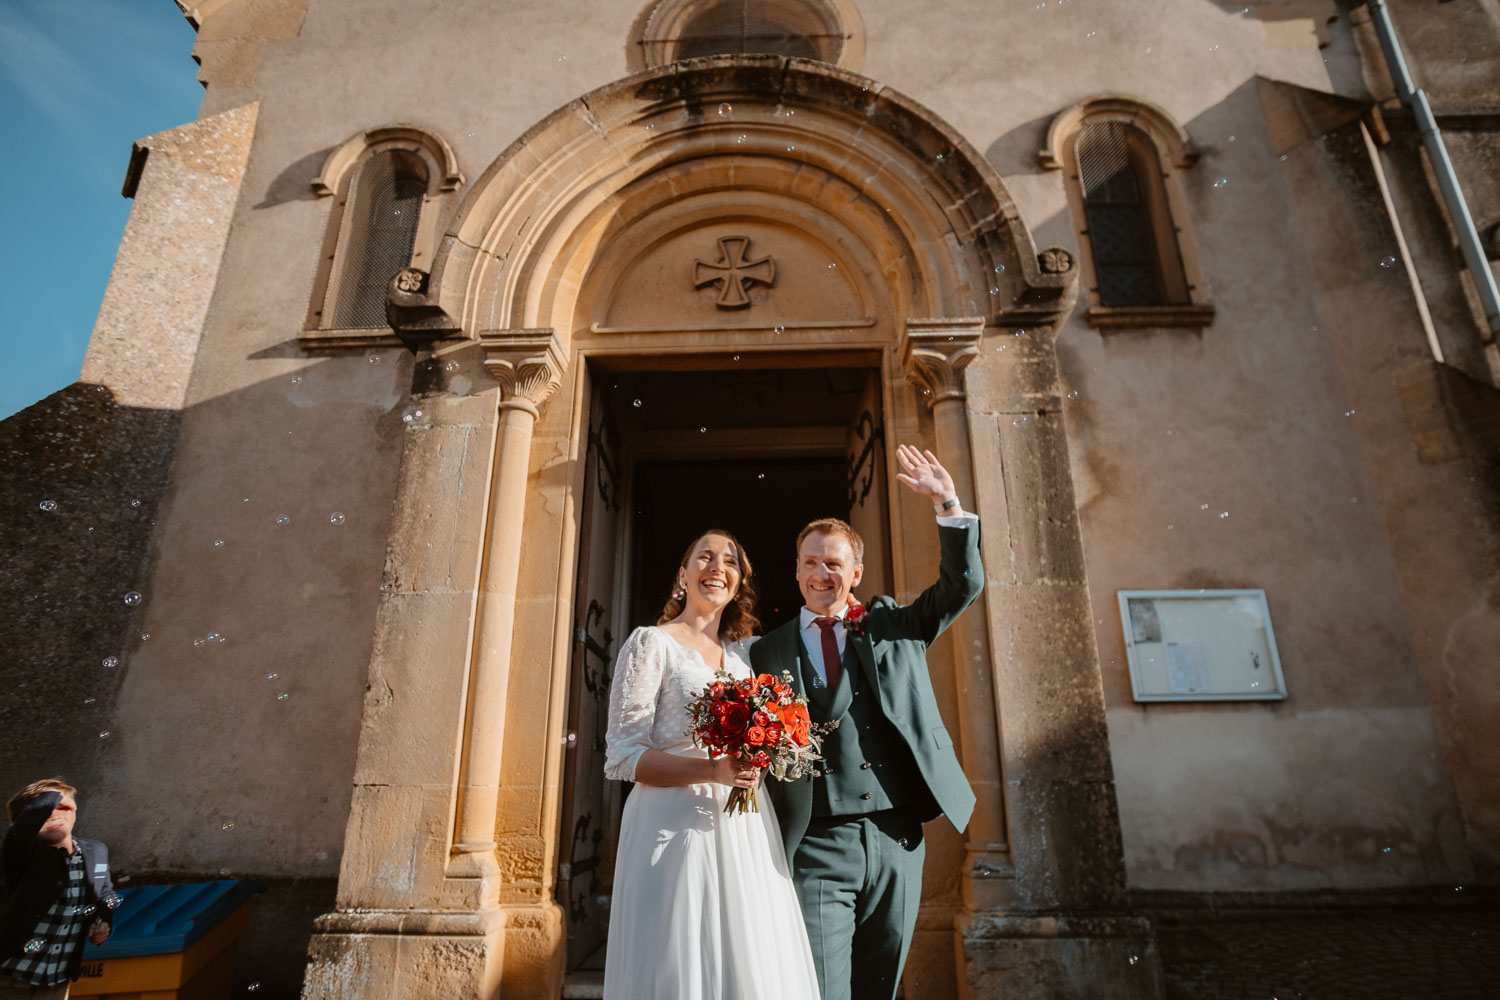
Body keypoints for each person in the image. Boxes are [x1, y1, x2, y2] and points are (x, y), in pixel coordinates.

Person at [750, 445, 983, 1000]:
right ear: (796, 570)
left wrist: (946, 503)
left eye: (833, 563)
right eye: (810, 561)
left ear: (856, 572)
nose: (821, 573)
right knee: (822, 986)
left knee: (882, 984)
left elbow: (963, 585)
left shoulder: (896, 626)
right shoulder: (764, 652)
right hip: (816, 840)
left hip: (897, 835)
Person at [603, 529, 820, 999]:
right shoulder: (652, 644)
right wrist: (712, 771)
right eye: (704, 557)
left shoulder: (745, 657)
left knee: (749, 956)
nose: (716, 567)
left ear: (739, 583)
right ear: (683, 574)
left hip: (744, 830)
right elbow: (623, 756)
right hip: (673, 827)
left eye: (730, 561)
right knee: (679, 956)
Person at [1, 780, 116, 999]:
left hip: (55, 984)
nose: (55, 815)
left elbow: (105, 893)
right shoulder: (20, 856)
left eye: (64, 808)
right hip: (8, 982)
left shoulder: (96, 851)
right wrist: (56, 795)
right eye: (45, 809)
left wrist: (103, 921)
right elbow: (17, 836)